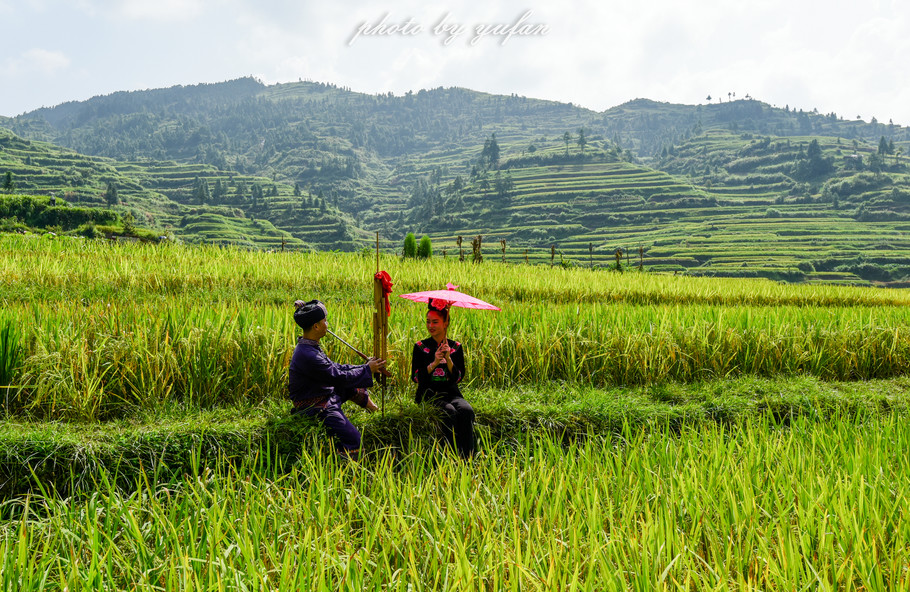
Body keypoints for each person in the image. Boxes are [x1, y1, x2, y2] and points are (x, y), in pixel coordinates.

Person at [289, 299, 386, 459]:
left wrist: (365, 366)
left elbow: (337, 368)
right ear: (316, 326)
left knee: (349, 384)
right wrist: (367, 369)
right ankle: (348, 473)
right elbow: (337, 375)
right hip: (315, 405)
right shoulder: (308, 354)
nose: (327, 324)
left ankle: (374, 409)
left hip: (322, 394)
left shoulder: (310, 347)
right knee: (354, 439)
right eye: (325, 321)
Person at [411, 298, 476, 458]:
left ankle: (468, 456)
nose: (430, 326)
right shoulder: (420, 347)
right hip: (429, 394)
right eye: (428, 322)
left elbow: (458, 378)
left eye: (435, 322)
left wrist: (448, 359)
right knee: (449, 412)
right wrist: (434, 363)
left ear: (445, 323)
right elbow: (415, 377)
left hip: (451, 393)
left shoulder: (455, 347)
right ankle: (450, 455)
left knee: (466, 411)